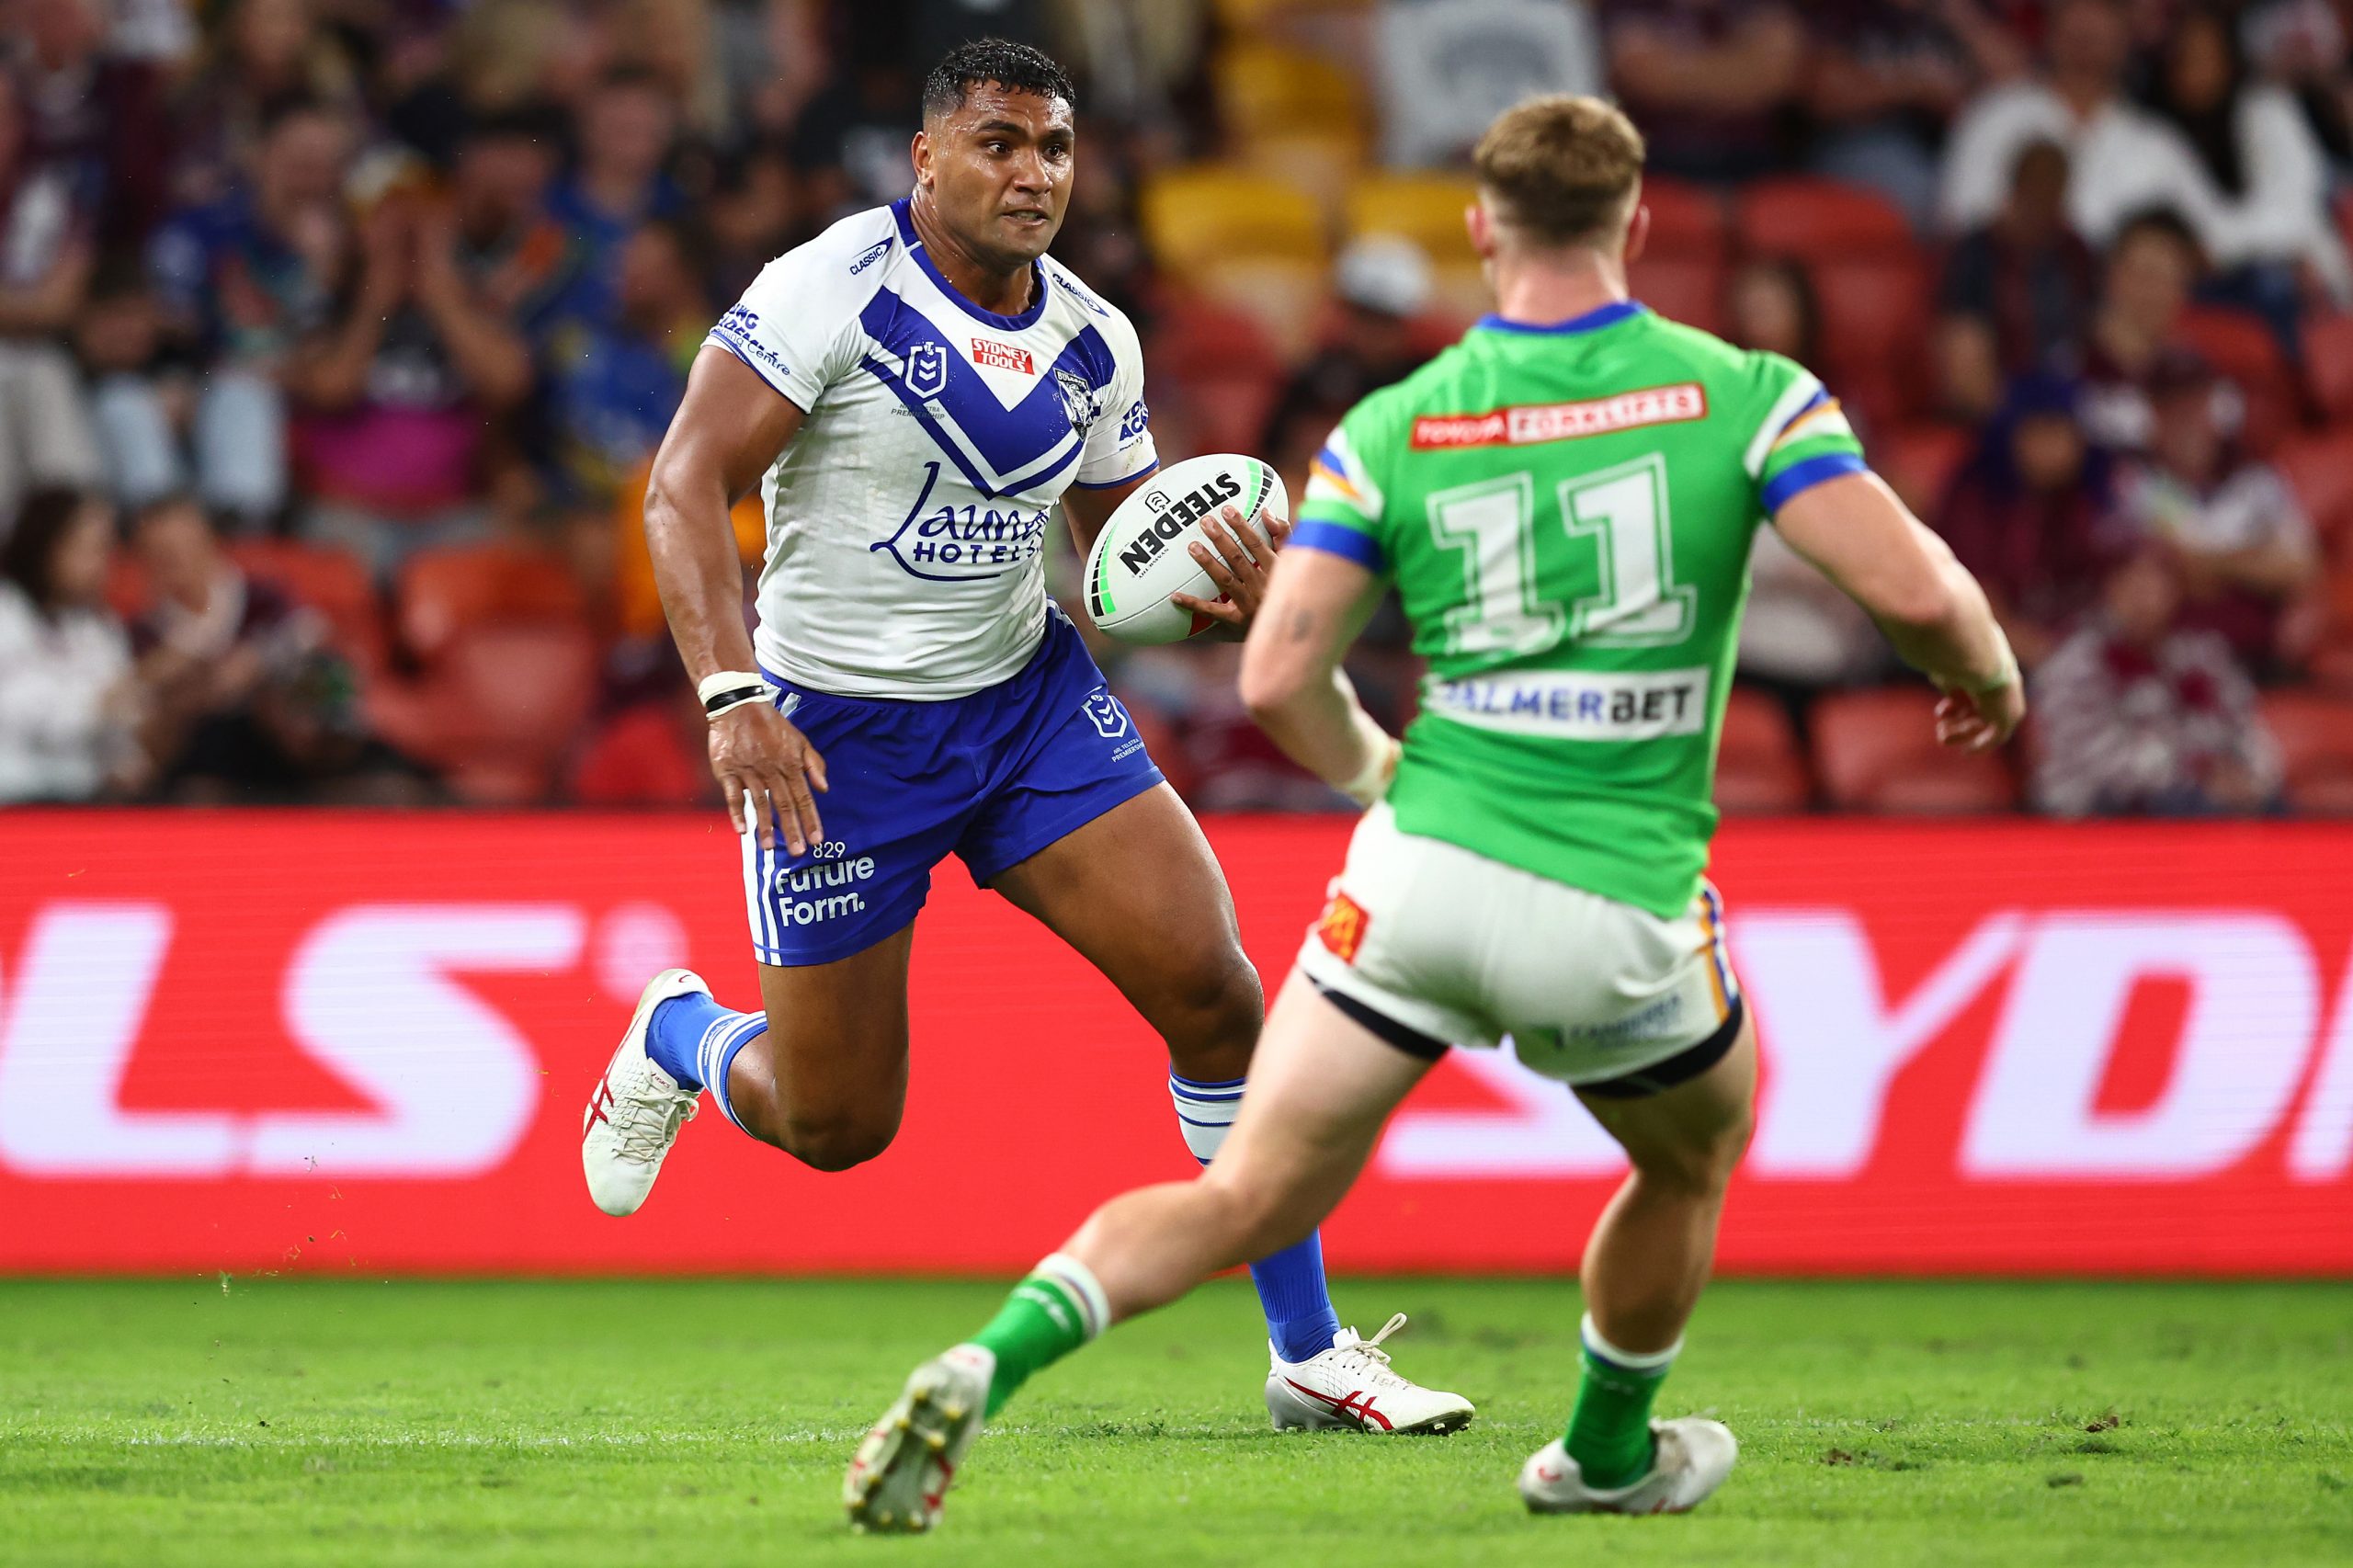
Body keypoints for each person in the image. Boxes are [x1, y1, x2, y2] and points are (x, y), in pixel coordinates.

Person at [847, 93, 2024, 1533]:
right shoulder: (1748, 394)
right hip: (1616, 893)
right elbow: (1916, 593)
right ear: (1637, 223)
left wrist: (1378, 773)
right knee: (1688, 1156)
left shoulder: (1395, 425)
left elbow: (1278, 676)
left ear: (1479, 231)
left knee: (1245, 1193)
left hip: (1417, 875)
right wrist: (1986, 674)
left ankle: (986, 1358)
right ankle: (1605, 1449)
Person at [578, 40, 1465, 1437]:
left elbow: (1119, 559)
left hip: (1024, 704)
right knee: (836, 1123)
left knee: (1217, 991)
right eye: (998, 143)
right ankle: (680, 1032)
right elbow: (683, 483)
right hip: (835, 736)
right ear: (926, 156)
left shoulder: (1095, 339)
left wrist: (1224, 593)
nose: (1033, 173)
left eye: (1053, 147)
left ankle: (1308, 1351)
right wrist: (732, 696)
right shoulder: (828, 290)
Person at [2029, 547, 2281, 814]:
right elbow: (2096, 758)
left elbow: (2245, 726)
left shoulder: (2203, 654)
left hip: (2201, 790)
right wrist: (2198, 773)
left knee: (2275, 809)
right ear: (2110, 590)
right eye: (2133, 586)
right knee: (2189, 806)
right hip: (2100, 803)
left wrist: (2248, 776)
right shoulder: (2076, 661)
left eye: (2154, 588)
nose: (2143, 600)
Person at [1935, 138, 2100, 420]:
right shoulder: (1978, 252)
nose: (2042, 205)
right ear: (2016, 187)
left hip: (2067, 390)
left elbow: (2094, 326)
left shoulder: (2075, 253)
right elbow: (1963, 338)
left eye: (2052, 194)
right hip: (1999, 394)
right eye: (2035, 190)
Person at [0, 486, 144, 801]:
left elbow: (120, 724)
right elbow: (15, 712)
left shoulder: (101, 628)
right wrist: (98, 706)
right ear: (45, 546)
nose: (101, 564)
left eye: (107, 550)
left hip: (83, 800)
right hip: (12, 799)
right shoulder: (6, 613)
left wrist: (123, 757)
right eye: (89, 549)